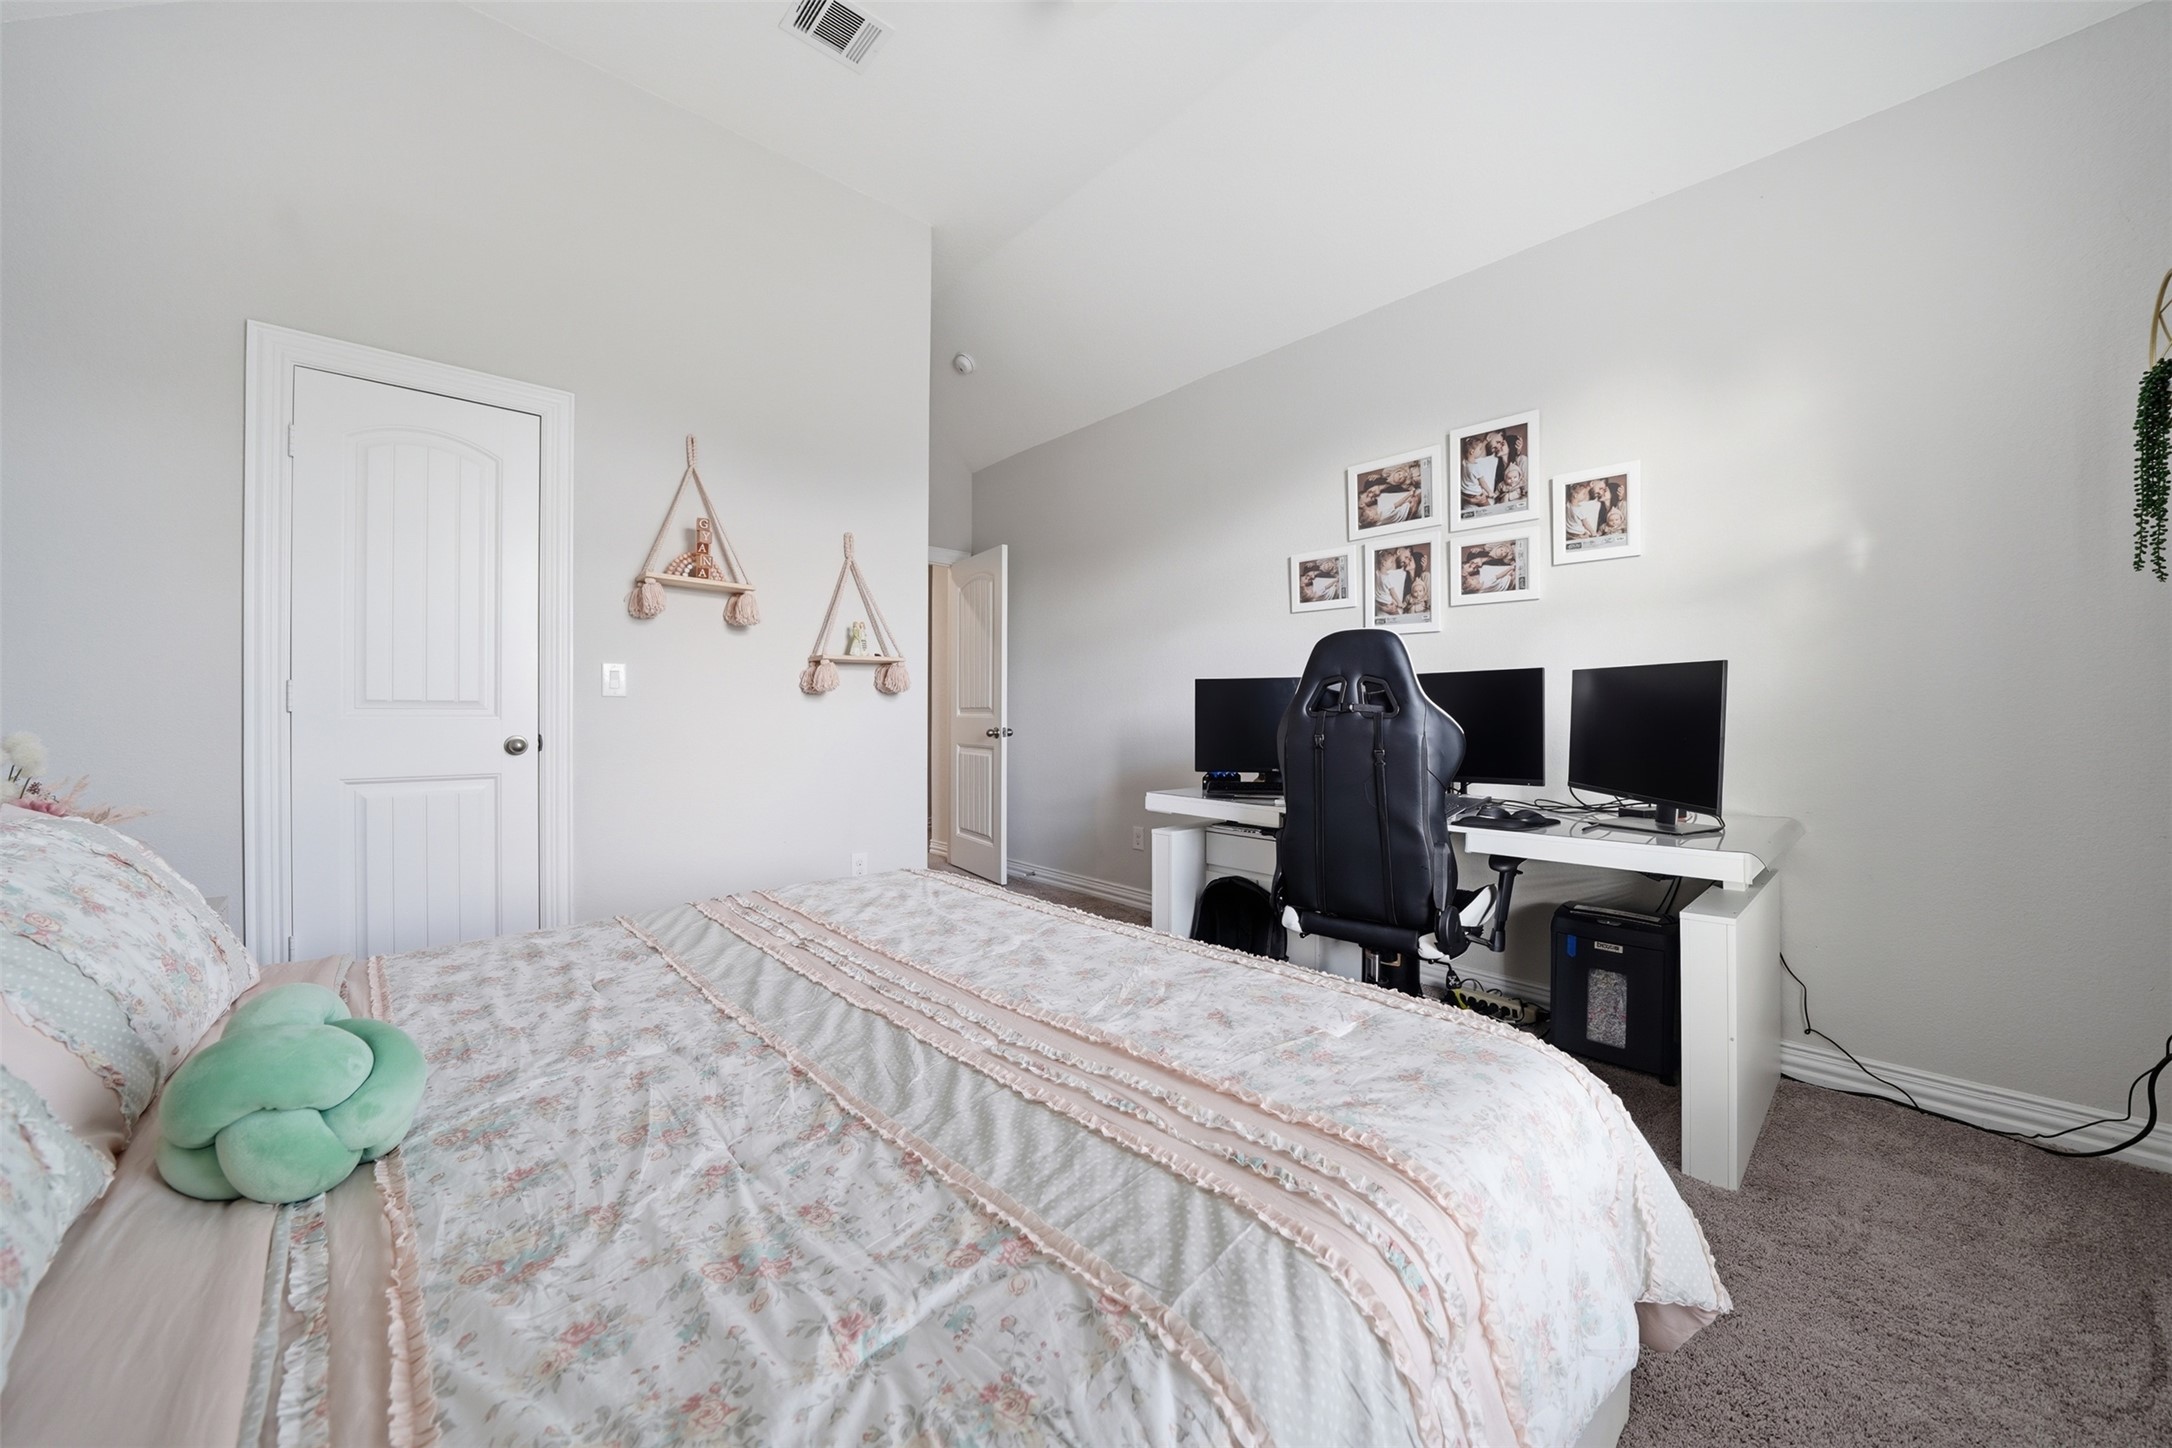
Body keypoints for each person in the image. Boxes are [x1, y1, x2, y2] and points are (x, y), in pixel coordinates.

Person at [1461, 436, 1498, 514]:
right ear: (1472, 452)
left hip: (1466, 493)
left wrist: (1484, 442)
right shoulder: (1475, 467)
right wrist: (1490, 492)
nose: (1481, 451)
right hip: (1476, 494)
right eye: (1480, 449)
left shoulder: (1464, 463)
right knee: (1489, 509)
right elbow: (1482, 482)